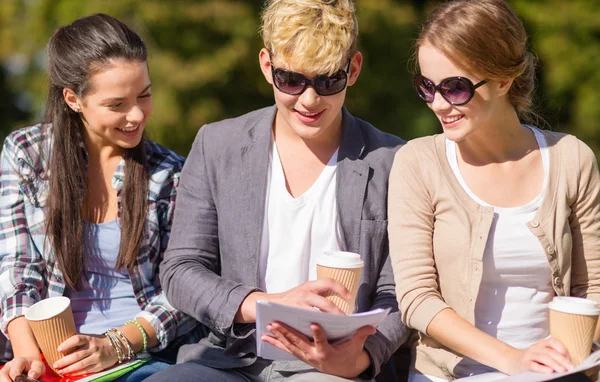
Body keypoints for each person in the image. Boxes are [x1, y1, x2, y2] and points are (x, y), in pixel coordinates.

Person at [144, 0, 410, 381]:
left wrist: (362, 357)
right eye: (291, 80)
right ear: (267, 66)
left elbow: (399, 290)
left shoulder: (392, 160)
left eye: (328, 81)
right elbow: (181, 270)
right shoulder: (216, 144)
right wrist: (264, 304)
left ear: (353, 69)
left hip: (334, 367)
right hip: (229, 358)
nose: (309, 99)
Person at [388, 0, 600, 381]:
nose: (438, 103)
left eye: (455, 88)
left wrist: (564, 361)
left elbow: (593, 289)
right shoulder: (417, 163)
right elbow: (417, 300)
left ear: (504, 80)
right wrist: (513, 360)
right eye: (427, 86)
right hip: (451, 375)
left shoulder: (572, 159)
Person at [0, 14, 198, 382]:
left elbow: (184, 289)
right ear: (73, 99)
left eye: (145, 95)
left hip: (141, 358)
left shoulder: (170, 173)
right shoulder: (26, 153)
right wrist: (27, 358)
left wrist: (114, 346)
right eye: (116, 104)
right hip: (46, 359)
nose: (136, 115)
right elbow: (17, 268)